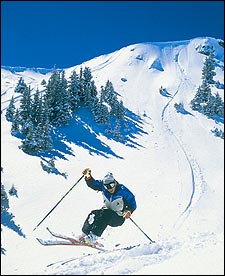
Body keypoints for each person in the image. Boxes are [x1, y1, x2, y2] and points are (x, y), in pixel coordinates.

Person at [78, 168, 137, 245]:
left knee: (106, 214)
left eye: (112, 185)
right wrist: (88, 177)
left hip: (118, 217)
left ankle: (93, 237)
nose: (110, 188)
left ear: (115, 183)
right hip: (105, 212)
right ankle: (84, 235)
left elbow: (132, 203)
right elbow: (93, 184)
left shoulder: (123, 191)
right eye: (107, 187)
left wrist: (129, 211)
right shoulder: (103, 187)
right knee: (93, 214)